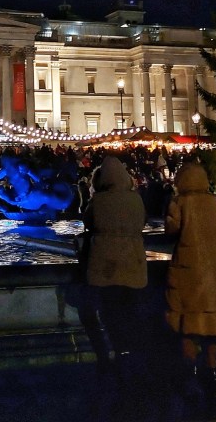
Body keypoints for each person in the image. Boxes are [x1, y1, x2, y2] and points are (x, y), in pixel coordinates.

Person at [80, 156, 148, 378]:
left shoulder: (99, 201)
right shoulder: (135, 200)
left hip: (106, 264)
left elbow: (88, 222)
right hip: (133, 261)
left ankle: (113, 353)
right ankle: (131, 352)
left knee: (109, 310)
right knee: (130, 310)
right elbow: (142, 223)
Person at [165, 162, 216, 381]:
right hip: (213, 267)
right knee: (211, 320)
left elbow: (171, 230)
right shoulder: (214, 203)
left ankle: (190, 368)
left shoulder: (180, 203)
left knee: (186, 321)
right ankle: (212, 365)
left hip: (187, 268)